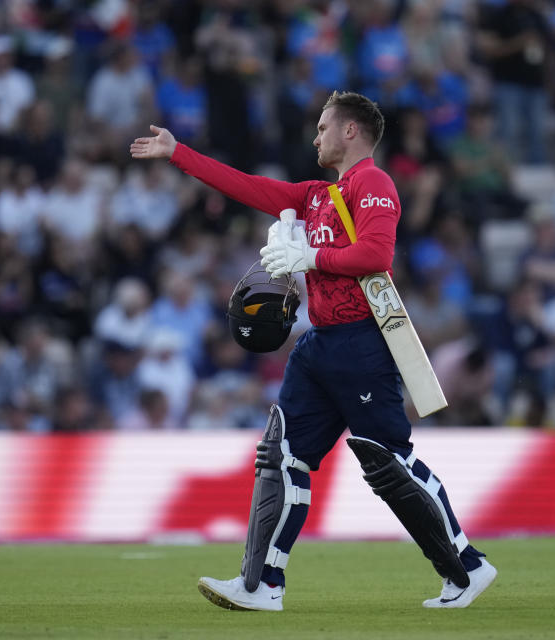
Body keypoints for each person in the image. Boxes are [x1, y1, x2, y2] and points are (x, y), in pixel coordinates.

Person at [130, 91, 495, 611]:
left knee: (387, 460)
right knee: (281, 455)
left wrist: (309, 254)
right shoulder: (318, 194)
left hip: (362, 341)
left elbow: (376, 253)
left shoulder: (374, 182)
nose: (315, 136)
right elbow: (250, 187)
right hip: (320, 342)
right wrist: (178, 153)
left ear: (351, 131)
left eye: (324, 127)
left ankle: (468, 566)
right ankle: (261, 585)